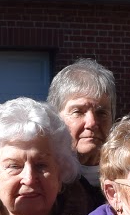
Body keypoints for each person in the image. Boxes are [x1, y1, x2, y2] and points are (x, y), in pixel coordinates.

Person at [47, 58, 117, 203]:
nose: (92, 123)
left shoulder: (128, 175)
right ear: (55, 117)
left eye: (101, 113)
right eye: (78, 111)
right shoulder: (45, 177)